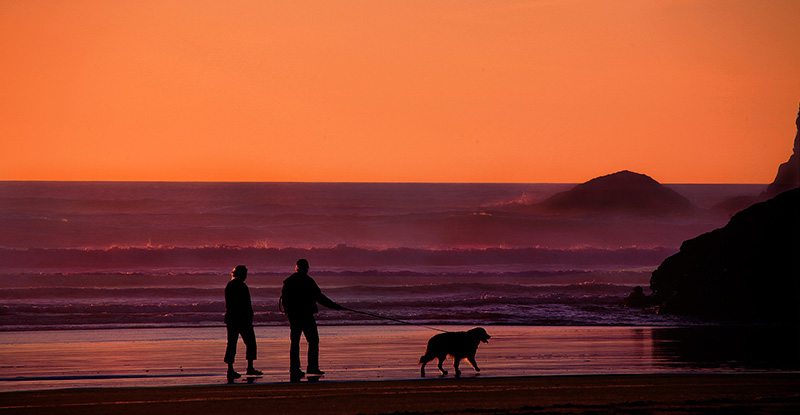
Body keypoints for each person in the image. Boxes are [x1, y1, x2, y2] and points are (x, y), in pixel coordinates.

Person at [280, 258, 343, 379]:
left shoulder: (289, 281)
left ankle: (295, 368)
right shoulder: (308, 281)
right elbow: (319, 297)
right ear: (305, 268)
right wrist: (334, 306)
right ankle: (311, 367)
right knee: (313, 341)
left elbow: (285, 300)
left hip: (294, 316)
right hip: (306, 315)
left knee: (295, 342)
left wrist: (288, 312)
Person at [224, 265, 261, 379]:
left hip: (233, 319)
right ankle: (249, 368)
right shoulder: (240, 286)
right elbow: (243, 304)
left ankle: (231, 369)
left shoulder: (231, 285)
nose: (246, 276)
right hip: (241, 319)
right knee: (250, 343)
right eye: (244, 274)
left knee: (232, 344)